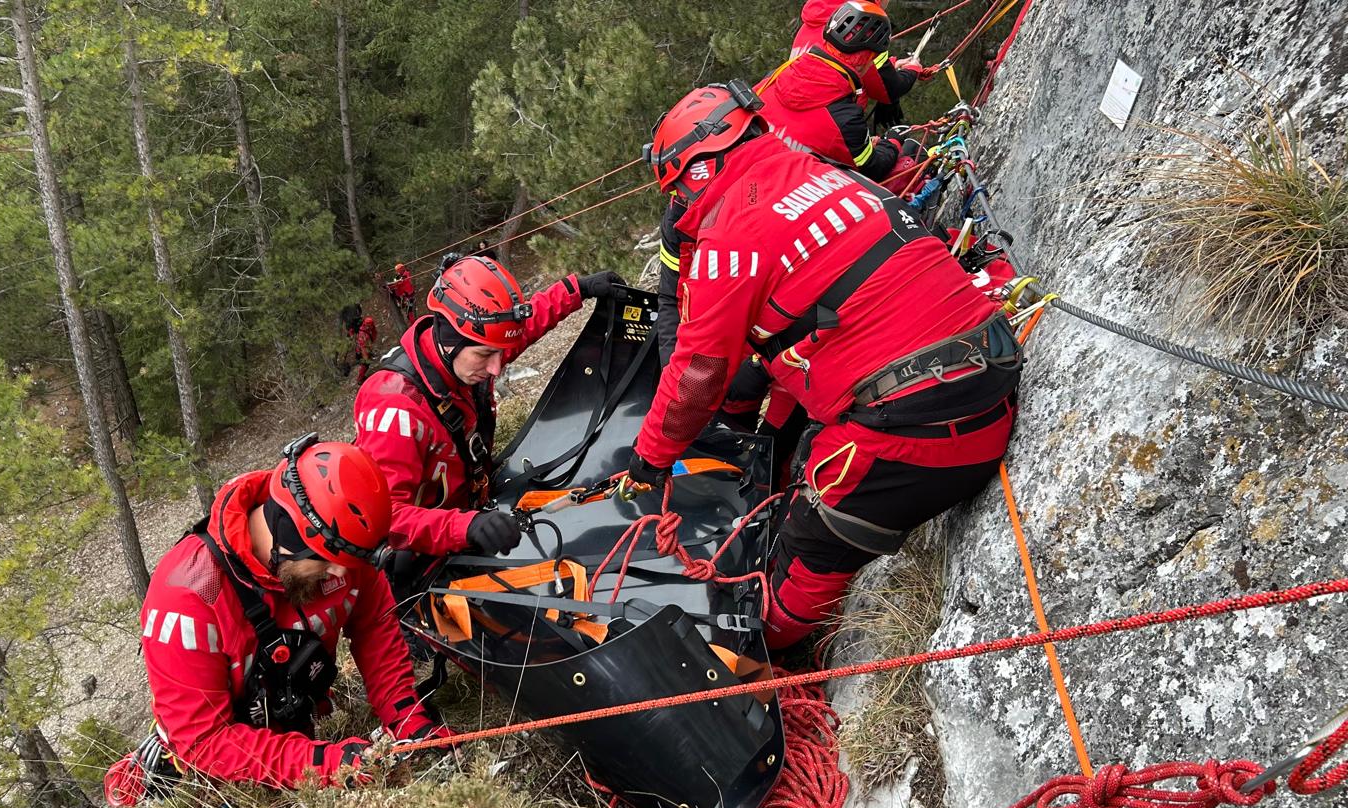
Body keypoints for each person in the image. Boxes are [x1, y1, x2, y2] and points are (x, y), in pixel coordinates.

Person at [618, 86, 1021, 651]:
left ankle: (775, 658)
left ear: (699, 172)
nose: (680, 206)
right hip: (988, 373)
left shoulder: (729, 237)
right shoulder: (826, 174)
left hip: (925, 429)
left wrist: (649, 461)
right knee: (810, 447)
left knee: (810, 543)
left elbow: (699, 373)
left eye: (678, 190)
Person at [126, 436, 451, 791]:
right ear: (287, 536)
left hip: (295, 723)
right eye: (328, 562)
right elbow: (203, 741)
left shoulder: (340, 543)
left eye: (349, 562)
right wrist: (323, 765)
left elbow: (375, 629)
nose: (341, 574)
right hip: (221, 768)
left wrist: (407, 717)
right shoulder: (187, 598)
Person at [355, 255, 627, 565]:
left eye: (499, 353)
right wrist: (465, 527)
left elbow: (522, 329)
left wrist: (577, 289)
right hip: (427, 552)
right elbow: (385, 518)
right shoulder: (394, 408)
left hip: (470, 507)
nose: (497, 367)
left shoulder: (465, 355)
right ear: (449, 342)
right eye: (486, 355)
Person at [757, 1, 934, 181]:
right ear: (867, 62)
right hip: (803, 181)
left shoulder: (774, 76)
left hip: (758, 175)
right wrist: (893, 140)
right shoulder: (845, 119)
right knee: (912, 156)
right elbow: (873, 167)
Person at [353, 314, 378, 384]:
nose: (372, 326)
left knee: (366, 363)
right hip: (362, 351)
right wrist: (366, 357)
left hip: (366, 349)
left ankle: (361, 376)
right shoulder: (362, 334)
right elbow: (363, 347)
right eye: (371, 325)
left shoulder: (367, 329)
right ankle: (360, 379)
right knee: (365, 364)